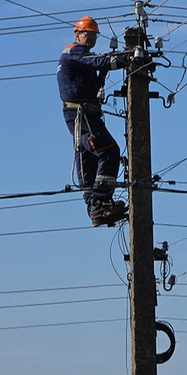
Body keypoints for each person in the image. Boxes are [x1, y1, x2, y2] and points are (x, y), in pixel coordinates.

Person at [57, 16, 129, 227]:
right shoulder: (74, 52)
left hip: (81, 115)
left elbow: (96, 66)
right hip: (82, 114)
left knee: (87, 161)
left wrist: (106, 68)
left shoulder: (80, 59)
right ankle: (100, 201)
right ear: (78, 34)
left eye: (94, 35)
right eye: (87, 34)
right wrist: (124, 59)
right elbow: (96, 60)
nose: (91, 38)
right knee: (108, 150)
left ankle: (96, 207)